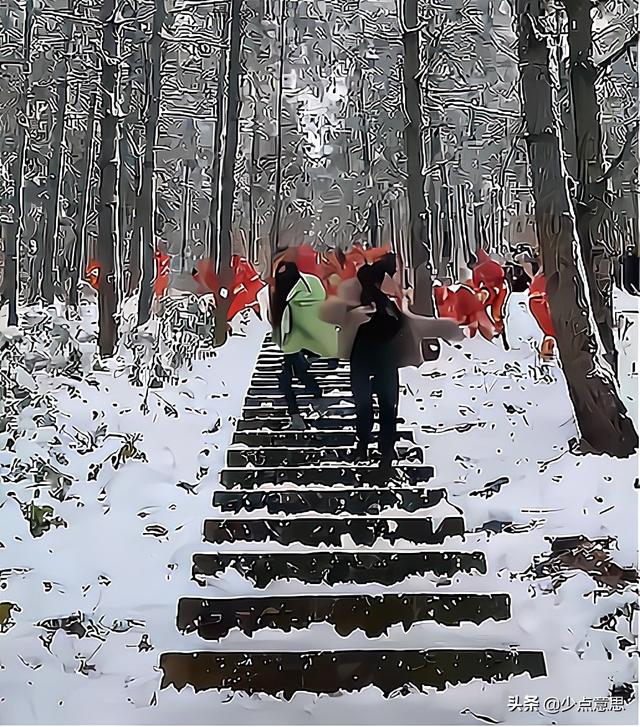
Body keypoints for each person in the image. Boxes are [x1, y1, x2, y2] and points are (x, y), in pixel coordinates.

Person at [320, 253, 464, 471]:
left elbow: (333, 318)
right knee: (386, 406)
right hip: (382, 360)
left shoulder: (370, 305)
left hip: (365, 360)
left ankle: (366, 445)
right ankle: (383, 449)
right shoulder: (385, 305)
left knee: (366, 405)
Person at [270, 260, 338, 430]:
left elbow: (287, 326)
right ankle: (316, 400)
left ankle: (298, 415)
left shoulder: (291, 300)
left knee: (286, 380)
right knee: (297, 372)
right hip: (309, 343)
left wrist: (282, 340)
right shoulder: (313, 287)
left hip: (294, 341)